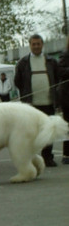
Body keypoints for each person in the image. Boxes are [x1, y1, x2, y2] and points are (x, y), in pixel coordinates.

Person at [14, 34, 61, 166]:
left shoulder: (51, 61)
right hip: (31, 104)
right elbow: (18, 81)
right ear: (30, 45)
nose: (36, 46)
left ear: (42, 45)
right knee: (30, 132)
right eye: (33, 44)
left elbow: (57, 79)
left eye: (38, 44)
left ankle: (48, 157)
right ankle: (31, 159)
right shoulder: (23, 62)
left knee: (48, 130)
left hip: (48, 102)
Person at [58, 36, 69, 164]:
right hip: (67, 97)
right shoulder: (65, 55)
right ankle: (67, 153)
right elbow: (60, 71)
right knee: (67, 127)